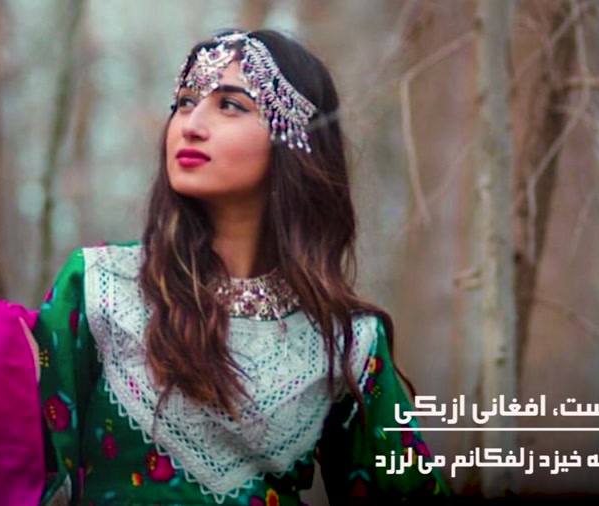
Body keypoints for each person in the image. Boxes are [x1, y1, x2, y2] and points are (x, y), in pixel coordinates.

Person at [31, 28, 449, 505]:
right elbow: (20, 467)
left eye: (230, 105)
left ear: (292, 137)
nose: (191, 125)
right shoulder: (100, 286)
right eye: (185, 102)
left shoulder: (344, 341)